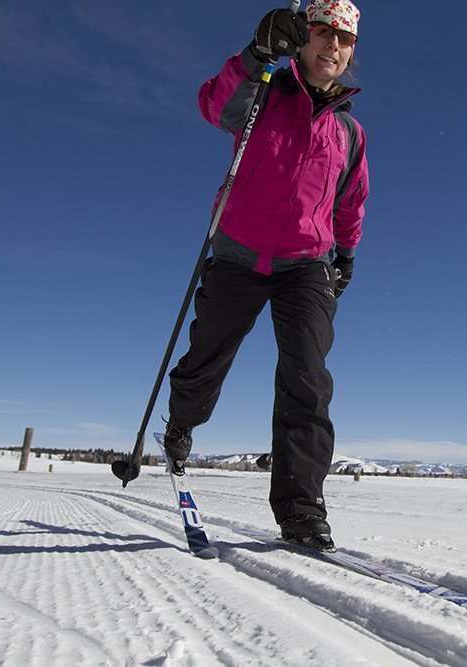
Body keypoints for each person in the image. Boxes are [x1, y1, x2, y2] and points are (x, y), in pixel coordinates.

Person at [163, 0, 368, 553]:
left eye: (345, 39)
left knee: (307, 379)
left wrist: (344, 254)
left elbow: (351, 201)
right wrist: (256, 55)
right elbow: (215, 106)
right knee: (207, 356)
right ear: (302, 38)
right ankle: (180, 426)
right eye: (323, 33)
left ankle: (302, 512)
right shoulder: (264, 91)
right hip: (237, 254)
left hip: (306, 264)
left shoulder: (349, 133)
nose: (334, 46)